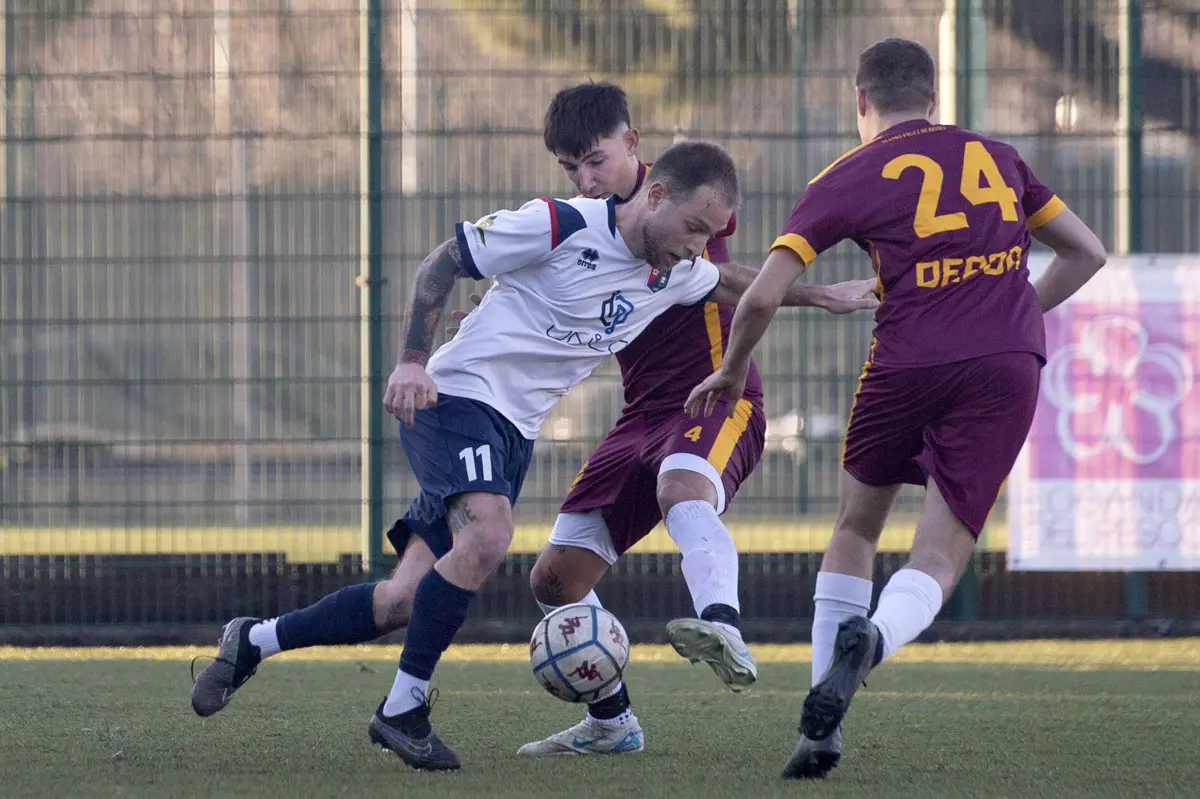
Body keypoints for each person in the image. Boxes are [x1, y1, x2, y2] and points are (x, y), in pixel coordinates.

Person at [190, 138, 873, 772]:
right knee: (489, 534)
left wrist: (820, 293)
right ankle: (403, 707)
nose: (700, 248)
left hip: (510, 432)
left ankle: (253, 640)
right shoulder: (566, 222)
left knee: (400, 598)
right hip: (455, 400)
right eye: (694, 229)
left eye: (709, 236)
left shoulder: (674, 271)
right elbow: (444, 260)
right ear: (657, 194)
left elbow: (731, 282)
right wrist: (411, 361)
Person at [685, 37, 1107, 780]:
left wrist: (729, 370)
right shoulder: (998, 156)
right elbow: (1086, 253)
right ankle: (873, 641)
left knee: (854, 528)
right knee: (939, 554)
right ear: (935, 97)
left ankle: (821, 729)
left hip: (906, 359)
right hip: (1005, 364)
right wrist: (1013, 317)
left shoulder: (846, 174)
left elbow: (759, 294)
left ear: (860, 100)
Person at [442, 82, 878, 757]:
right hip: (639, 413)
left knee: (682, 486)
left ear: (634, 150)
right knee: (554, 580)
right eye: (572, 168)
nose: (587, 180)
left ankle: (724, 625)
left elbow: (727, 277)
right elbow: (548, 282)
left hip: (712, 399)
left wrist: (821, 294)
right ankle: (612, 722)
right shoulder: (581, 221)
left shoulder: (684, 199)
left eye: (596, 162)